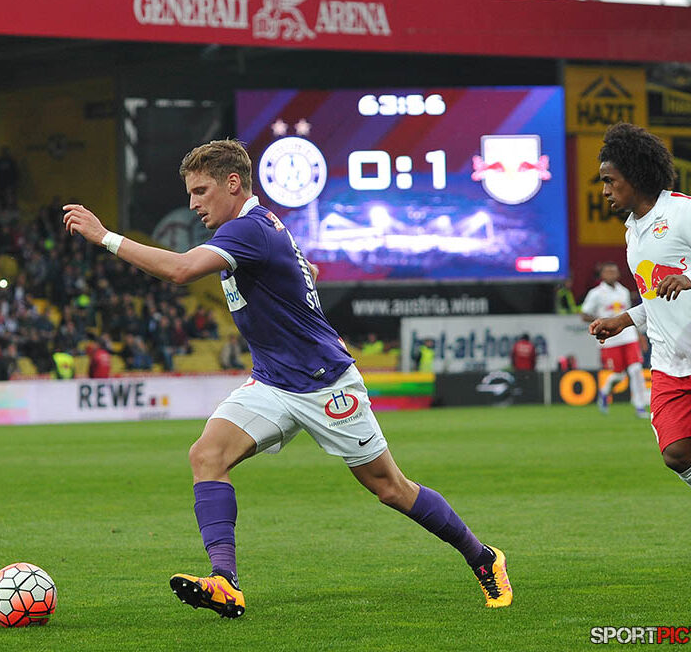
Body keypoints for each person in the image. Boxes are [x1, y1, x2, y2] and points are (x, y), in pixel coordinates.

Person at [63, 139, 512, 618]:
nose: (193, 204)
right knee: (207, 455)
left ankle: (483, 557)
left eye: (200, 191)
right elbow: (303, 269)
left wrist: (105, 237)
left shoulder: (249, 229)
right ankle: (225, 581)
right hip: (273, 382)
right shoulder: (257, 228)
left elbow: (181, 270)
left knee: (390, 488)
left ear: (232, 184)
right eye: (190, 193)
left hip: (325, 384)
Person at [588, 122, 691, 487]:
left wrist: (690, 278)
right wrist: (625, 319)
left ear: (635, 176)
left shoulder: (682, 213)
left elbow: (681, 283)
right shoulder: (633, 231)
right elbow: (656, 296)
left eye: (610, 181)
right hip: (669, 363)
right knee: (676, 453)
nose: (605, 191)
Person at [580, 261, 649, 418]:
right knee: (619, 375)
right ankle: (605, 392)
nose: (611, 274)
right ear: (602, 275)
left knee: (636, 370)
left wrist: (639, 335)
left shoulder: (623, 291)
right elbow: (584, 314)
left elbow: (629, 315)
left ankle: (639, 407)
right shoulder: (596, 293)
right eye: (608, 271)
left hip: (628, 335)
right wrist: (602, 321)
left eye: (614, 271)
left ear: (618, 274)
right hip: (610, 339)